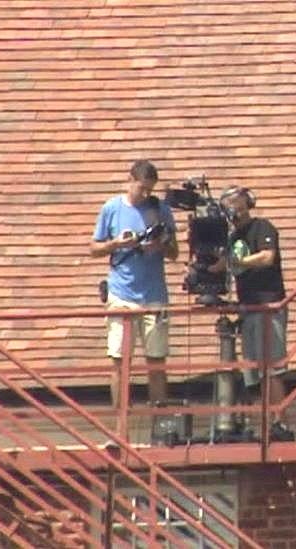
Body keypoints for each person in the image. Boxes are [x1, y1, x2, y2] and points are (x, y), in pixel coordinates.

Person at [90, 159, 178, 407]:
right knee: (119, 362)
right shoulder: (112, 208)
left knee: (157, 362)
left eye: (150, 190)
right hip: (121, 293)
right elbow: (94, 248)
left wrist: (159, 245)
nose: (146, 194)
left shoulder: (160, 209)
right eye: (142, 189)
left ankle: (159, 425)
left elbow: (175, 253)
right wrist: (117, 244)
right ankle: (120, 428)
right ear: (130, 181)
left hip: (154, 294)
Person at [212, 185, 295, 442]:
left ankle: (279, 421)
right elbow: (222, 265)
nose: (232, 210)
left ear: (247, 204)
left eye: (236, 204)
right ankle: (263, 422)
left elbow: (268, 257)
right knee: (253, 373)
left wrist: (239, 262)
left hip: (268, 306)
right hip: (248, 308)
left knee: (272, 368)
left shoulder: (263, 227)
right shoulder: (232, 237)